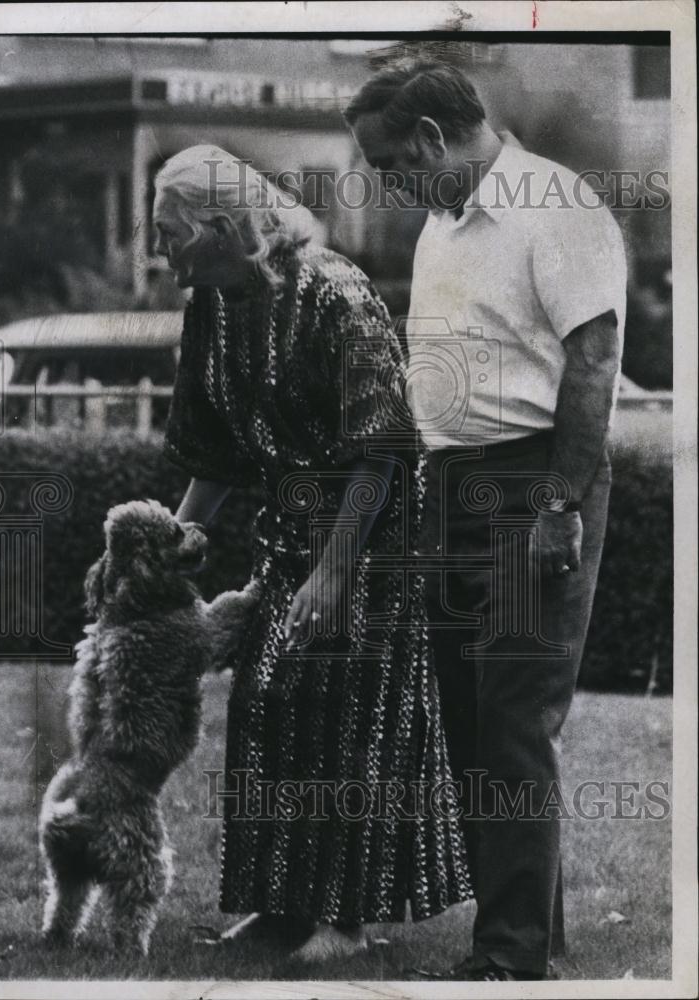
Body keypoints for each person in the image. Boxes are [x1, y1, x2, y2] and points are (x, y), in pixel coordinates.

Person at [153, 145, 472, 963]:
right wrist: (181, 538)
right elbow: (213, 447)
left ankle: (343, 920)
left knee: (346, 716)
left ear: (222, 227)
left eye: (169, 233)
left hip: (369, 541)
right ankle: (277, 907)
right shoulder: (211, 307)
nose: (159, 251)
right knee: (267, 705)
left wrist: (334, 573)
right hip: (286, 536)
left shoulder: (334, 290)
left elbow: (384, 445)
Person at [346, 63, 627, 982]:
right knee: (471, 726)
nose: (387, 181)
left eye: (391, 162)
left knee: (511, 723)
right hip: (453, 485)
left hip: (528, 482)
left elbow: (592, 360)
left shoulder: (557, 206)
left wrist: (557, 503)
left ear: (431, 139)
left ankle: (507, 957)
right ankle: (530, 935)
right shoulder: (442, 225)